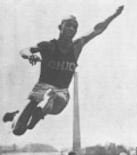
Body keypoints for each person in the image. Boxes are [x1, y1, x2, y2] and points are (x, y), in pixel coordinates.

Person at [2, 6, 125, 136]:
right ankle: (18, 115)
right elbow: (24, 50)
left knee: (53, 96)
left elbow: (97, 29)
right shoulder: (48, 46)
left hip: (61, 92)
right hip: (41, 88)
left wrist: (114, 15)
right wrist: (30, 56)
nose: (71, 29)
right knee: (18, 131)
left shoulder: (77, 46)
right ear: (60, 27)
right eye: (68, 25)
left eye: (74, 27)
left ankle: (42, 111)